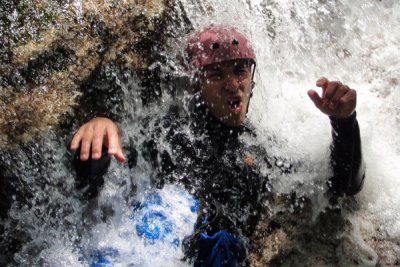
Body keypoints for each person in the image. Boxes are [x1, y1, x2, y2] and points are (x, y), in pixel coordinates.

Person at [70, 26, 365, 266]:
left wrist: (344, 123)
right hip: (153, 245)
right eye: (216, 74)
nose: (232, 84)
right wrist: (99, 132)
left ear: (252, 77)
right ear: (197, 85)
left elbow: (341, 189)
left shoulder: (264, 149)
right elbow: (95, 187)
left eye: (239, 70)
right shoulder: (167, 133)